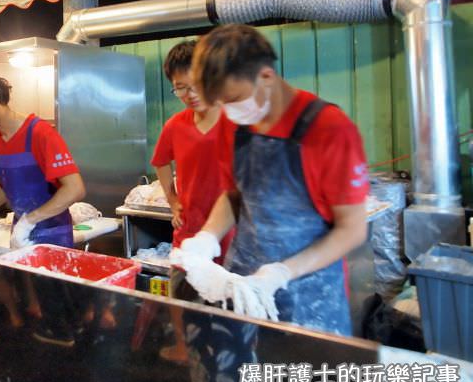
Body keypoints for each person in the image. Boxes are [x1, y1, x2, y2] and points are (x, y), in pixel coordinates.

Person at [183, 24, 368, 334]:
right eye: (221, 104)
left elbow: (352, 229)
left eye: (234, 99)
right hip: (243, 283)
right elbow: (233, 195)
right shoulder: (236, 125)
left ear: (266, 77)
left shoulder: (330, 130)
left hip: (311, 294)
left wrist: (282, 272)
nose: (229, 112)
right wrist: (207, 237)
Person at [0, 75, 86, 346]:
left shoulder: (40, 133)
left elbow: (75, 189)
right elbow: (4, 182)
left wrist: (31, 220)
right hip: (23, 232)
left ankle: (71, 353)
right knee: (40, 297)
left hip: (53, 232)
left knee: (58, 299)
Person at [150, 41, 235, 364]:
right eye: (180, 88)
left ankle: (226, 363)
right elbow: (160, 162)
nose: (189, 94)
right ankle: (186, 350)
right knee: (181, 291)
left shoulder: (235, 121)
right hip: (189, 227)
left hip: (231, 230)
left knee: (228, 302)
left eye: (195, 84)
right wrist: (172, 201)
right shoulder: (176, 125)